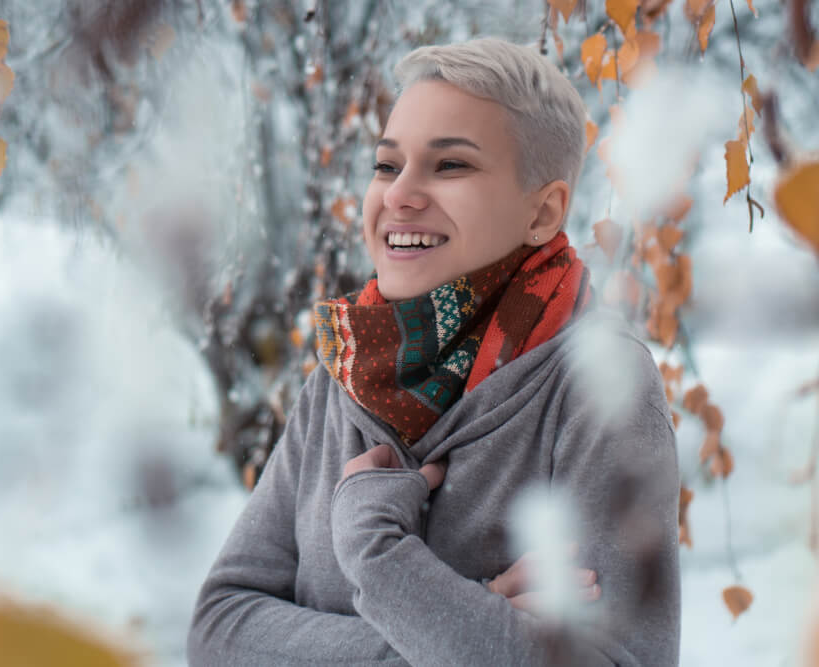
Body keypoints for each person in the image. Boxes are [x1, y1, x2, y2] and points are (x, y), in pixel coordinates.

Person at [187, 37, 680, 666]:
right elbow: (219, 626)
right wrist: (457, 622)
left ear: (544, 211)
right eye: (387, 166)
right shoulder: (346, 375)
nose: (400, 195)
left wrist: (379, 556)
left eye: (450, 166)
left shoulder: (598, 384)